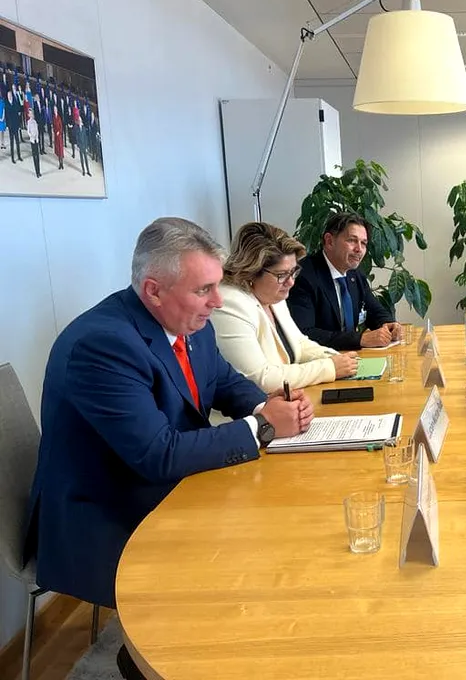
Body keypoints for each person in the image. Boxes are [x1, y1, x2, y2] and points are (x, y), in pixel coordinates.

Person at [25, 218, 314, 678]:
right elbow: (157, 455)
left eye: (216, 285)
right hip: (105, 510)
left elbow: (224, 382)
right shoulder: (102, 345)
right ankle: (161, 657)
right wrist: (261, 427)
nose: (218, 301)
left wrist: (269, 404)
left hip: (163, 486)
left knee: (283, 525)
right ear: (154, 290)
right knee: (247, 552)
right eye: (204, 290)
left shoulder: (189, 322)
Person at [212, 222, 360, 391]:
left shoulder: (273, 295)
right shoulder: (230, 303)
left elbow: (299, 343)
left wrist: (336, 358)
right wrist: (329, 368)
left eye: (293, 272)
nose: (291, 282)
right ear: (250, 272)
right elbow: (260, 378)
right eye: (282, 274)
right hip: (259, 405)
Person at [288, 212, 399, 350]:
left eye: (363, 243)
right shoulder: (304, 276)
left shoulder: (355, 274)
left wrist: (389, 324)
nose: (359, 249)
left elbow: (375, 311)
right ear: (329, 241)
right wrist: (359, 339)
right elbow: (304, 333)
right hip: (321, 359)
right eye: (352, 240)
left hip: (351, 357)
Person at [26, 113, 40, 178]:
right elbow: (28, 131)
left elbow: (37, 130)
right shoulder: (28, 122)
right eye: (30, 114)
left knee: (38, 155)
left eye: (32, 114)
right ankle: (37, 172)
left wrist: (37, 137)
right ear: (29, 115)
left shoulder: (35, 121)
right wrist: (31, 136)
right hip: (32, 140)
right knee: (34, 156)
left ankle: (39, 171)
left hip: (36, 140)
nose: (31, 115)